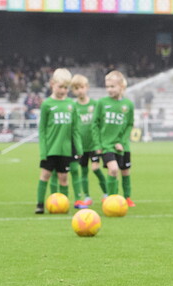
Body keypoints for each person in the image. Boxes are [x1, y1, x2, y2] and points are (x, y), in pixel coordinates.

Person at [35, 68, 83, 214]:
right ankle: (40, 204)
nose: (63, 90)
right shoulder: (47, 104)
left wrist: (79, 148)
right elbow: (42, 130)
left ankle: (63, 205)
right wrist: (43, 150)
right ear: (52, 84)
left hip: (65, 150)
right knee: (45, 176)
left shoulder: (71, 104)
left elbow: (75, 129)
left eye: (66, 88)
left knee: (64, 178)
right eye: (60, 87)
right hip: (50, 148)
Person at [93, 70, 136, 207]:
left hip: (122, 146)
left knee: (125, 171)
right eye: (107, 87)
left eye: (112, 86)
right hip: (106, 145)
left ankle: (127, 197)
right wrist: (97, 145)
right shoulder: (101, 103)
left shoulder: (128, 105)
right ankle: (112, 200)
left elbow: (129, 124)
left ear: (121, 86)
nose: (109, 90)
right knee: (113, 170)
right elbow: (95, 125)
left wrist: (122, 142)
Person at [69, 73, 108, 207]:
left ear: (87, 87)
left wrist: (100, 142)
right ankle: (87, 196)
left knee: (96, 168)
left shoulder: (95, 104)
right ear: (73, 91)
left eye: (82, 87)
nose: (80, 90)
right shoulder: (73, 106)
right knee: (83, 171)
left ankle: (106, 193)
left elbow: (100, 123)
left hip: (94, 145)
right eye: (76, 88)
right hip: (81, 146)